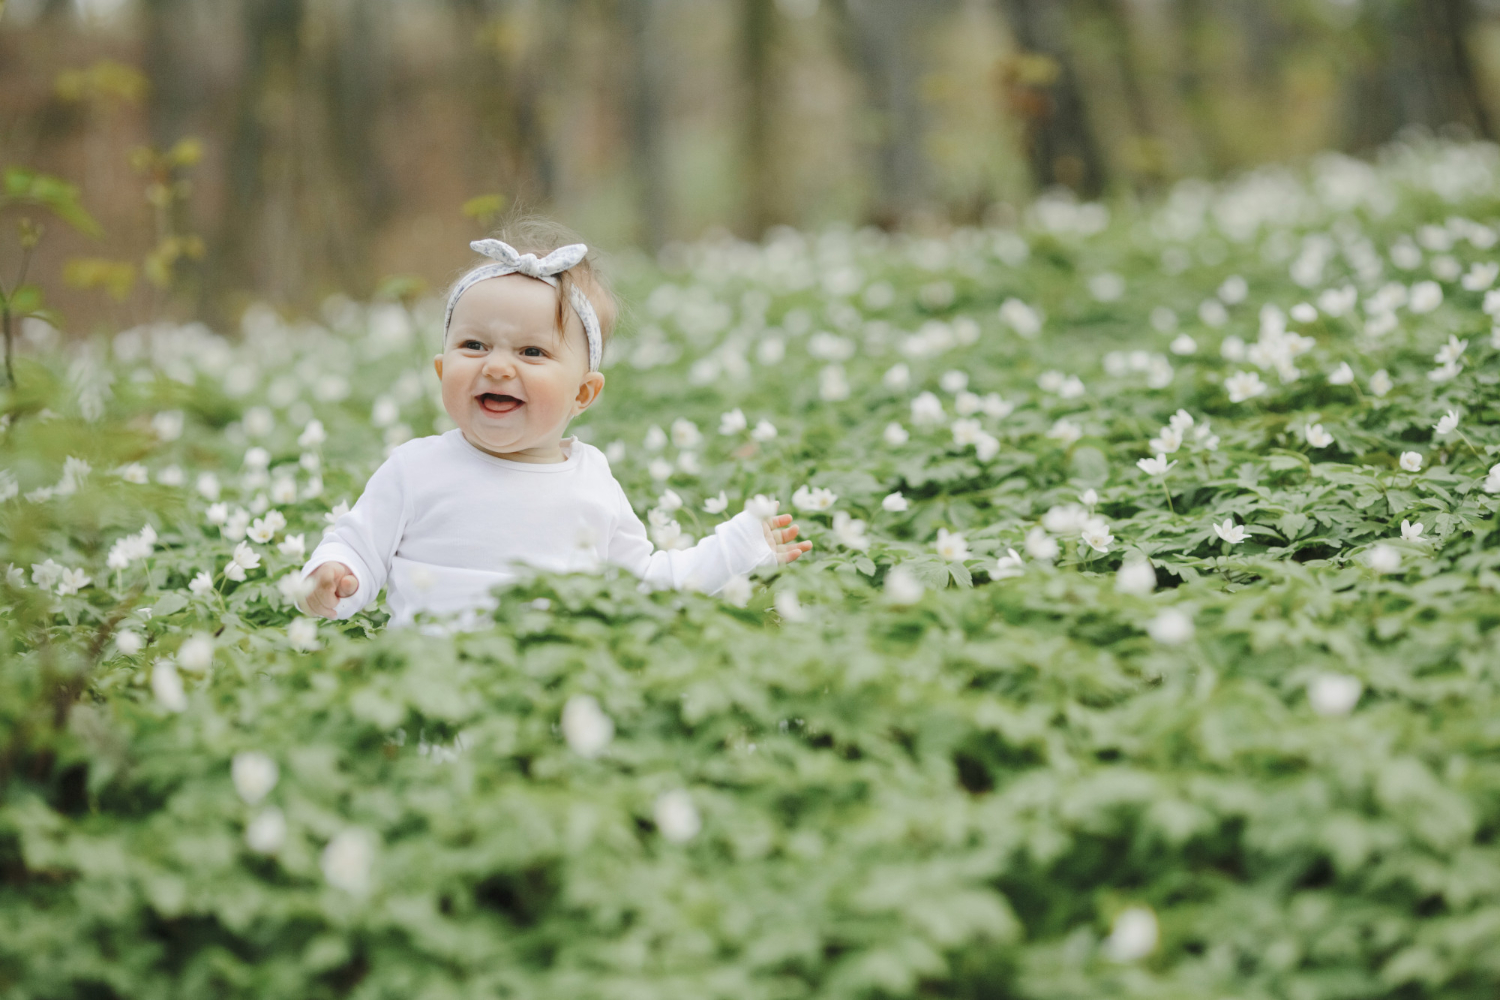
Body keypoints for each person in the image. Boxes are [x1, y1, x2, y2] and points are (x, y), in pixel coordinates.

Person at [297, 217, 810, 626]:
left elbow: (644, 583)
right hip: (433, 693)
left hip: (554, 695)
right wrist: (334, 577)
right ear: (441, 369)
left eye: (532, 351)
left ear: (583, 393)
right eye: (473, 345)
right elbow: (358, 546)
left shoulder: (592, 482)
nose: (497, 365)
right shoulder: (414, 468)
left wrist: (737, 550)